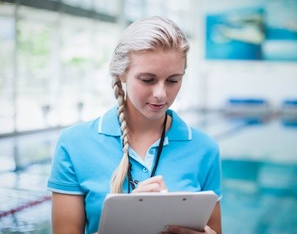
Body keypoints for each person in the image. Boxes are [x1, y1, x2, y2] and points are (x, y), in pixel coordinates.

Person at [47, 16, 222, 234]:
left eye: (173, 80)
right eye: (148, 79)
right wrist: (128, 218)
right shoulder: (74, 144)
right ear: (122, 74)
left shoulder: (204, 149)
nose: (161, 94)